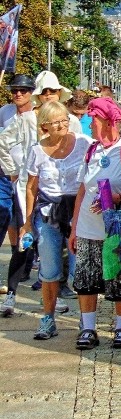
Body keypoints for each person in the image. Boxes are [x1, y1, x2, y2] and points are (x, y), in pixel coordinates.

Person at [68, 97, 121, 350]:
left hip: (117, 228)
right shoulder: (91, 149)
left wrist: (116, 197)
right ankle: (88, 328)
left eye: (93, 119)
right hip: (88, 227)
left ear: (109, 121)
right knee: (86, 278)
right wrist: (74, 229)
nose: (89, 125)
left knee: (120, 278)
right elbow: (81, 191)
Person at [19, 103, 90, 338]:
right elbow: (31, 187)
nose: (62, 125)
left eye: (64, 119)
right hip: (48, 212)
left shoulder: (83, 143)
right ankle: (48, 319)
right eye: (56, 121)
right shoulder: (37, 151)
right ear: (44, 126)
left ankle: (85, 322)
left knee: (79, 270)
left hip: (77, 211)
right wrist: (28, 221)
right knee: (49, 270)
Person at [0, 74, 36, 313]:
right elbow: (2, 142)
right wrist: (10, 170)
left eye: (23, 90)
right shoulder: (5, 113)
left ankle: (52, 288)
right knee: (13, 224)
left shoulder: (39, 116)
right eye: (15, 90)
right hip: (11, 180)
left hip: (37, 183)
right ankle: (11, 292)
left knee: (36, 233)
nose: (18, 94)